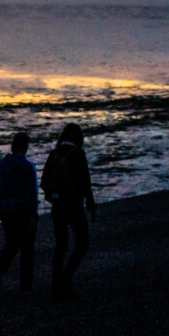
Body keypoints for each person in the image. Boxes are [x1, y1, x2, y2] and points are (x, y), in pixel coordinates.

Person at [41, 123, 97, 302]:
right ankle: (65, 277)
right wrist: (91, 205)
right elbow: (85, 182)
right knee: (82, 242)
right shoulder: (78, 154)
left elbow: (43, 182)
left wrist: (53, 196)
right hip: (74, 205)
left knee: (61, 245)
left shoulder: (54, 154)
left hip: (57, 205)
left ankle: (56, 286)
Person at [0, 131, 38, 294]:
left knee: (11, 245)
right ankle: (26, 284)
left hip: (6, 209)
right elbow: (31, 193)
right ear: (25, 147)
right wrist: (32, 215)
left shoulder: (1, 165)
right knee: (27, 248)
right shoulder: (28, 166)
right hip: (23, 210)